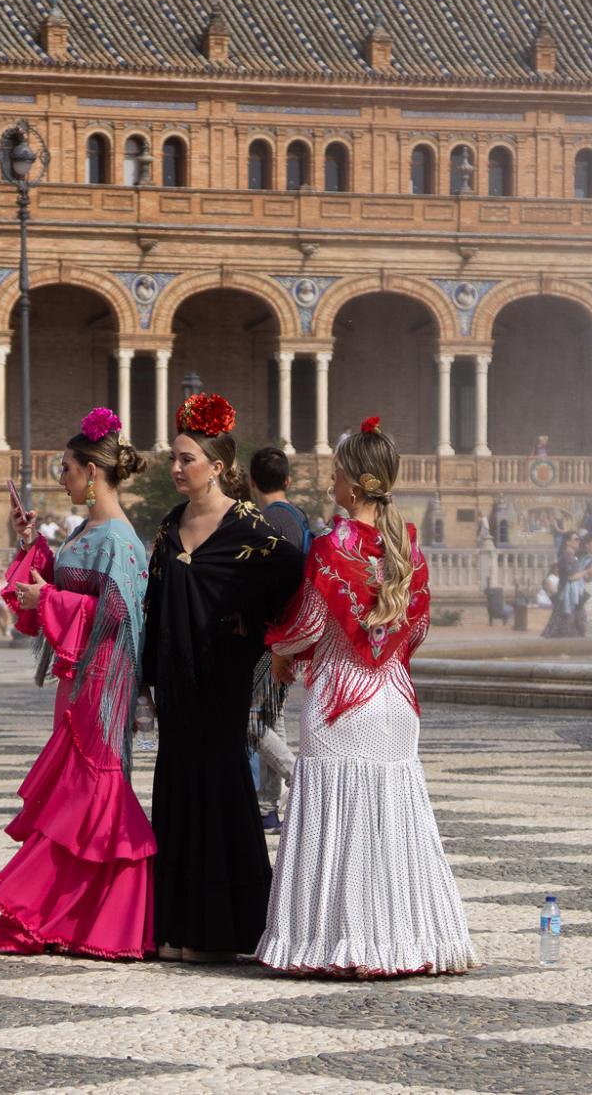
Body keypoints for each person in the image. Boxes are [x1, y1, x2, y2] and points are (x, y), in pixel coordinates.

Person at [259, 415, 481, 978]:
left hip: (341, 701)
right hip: (394, 703)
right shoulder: (408, 549)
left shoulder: (333, 546)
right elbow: (417, 632)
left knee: (340, 823)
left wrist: (278, 650)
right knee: (394, 823)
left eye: (336, 474)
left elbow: (307, 624)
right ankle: (409, 937)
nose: (331, 481)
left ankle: (340, 940)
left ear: (353, 484)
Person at [144, 392, 304, 963]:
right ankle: (178, 925)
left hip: (222, 681)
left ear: (218, 466)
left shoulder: (250, 527)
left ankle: (222, 931)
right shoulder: (169, 525)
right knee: (178, 791)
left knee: (220, 789)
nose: (177, 468)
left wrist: (256, 632)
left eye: (187, 459)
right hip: (177, 684)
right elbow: (154, 602)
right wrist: (147, 679)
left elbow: (294, 577)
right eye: (174, 458)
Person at [0, 406, 155, 960]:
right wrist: (32, 546)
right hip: (76, 681)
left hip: (103, 681)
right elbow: (58, 589)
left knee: (93, 788)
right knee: (75, 793)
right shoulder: (87, 531)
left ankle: (90, 915)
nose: (60, 477)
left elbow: (121, 618)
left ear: (92, 472)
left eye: (65, 468)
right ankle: (73, 914)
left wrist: (53, 600)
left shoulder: (120, 540)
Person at [247, 447, 309, 832]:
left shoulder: (262, 522)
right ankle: (266, 808)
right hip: (292, 631)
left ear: (252, 482)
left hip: (266, 635)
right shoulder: (299, 518)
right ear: (287, 480)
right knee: (272, 717)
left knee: (250, 721)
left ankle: (298, 779)